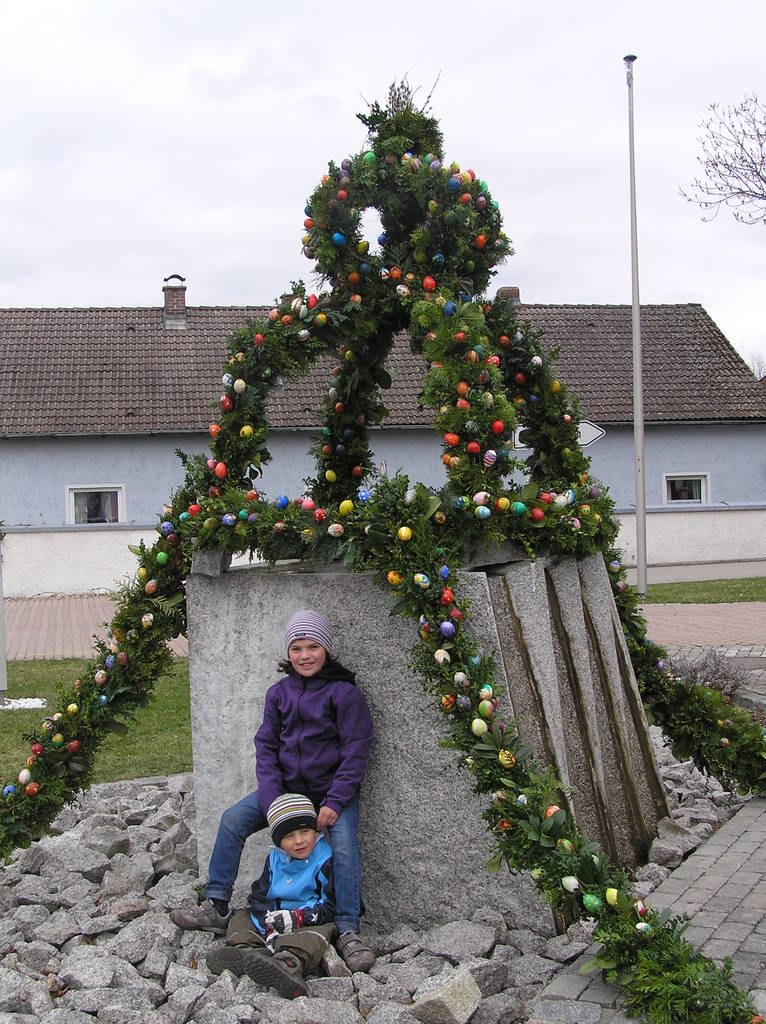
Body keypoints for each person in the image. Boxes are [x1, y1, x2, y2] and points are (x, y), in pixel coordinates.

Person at [171, 609, 376, 972]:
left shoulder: (344, 694)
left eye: (313, 647)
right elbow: (266, 748)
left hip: (332, 793)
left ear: (327, 649)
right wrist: (272, 800)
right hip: (286, 793)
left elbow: (356, 751)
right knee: (233, 820)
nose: (305, 655)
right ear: (288, 653)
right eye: (297, 648)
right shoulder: (279, 694)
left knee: (344, 845)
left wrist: (334, 802)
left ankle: (348, 928)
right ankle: (216, 903)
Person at [207, 792, 336, 999]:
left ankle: (288, 963)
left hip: (309, 919)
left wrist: (299, 917)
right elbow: (260, 895)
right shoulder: (275, 859)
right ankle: (247, 950)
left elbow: (332, 904)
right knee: (242, 917)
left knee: (318, 934)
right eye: (289, 836)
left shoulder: (325, 859)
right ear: (278, 841)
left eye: (305, 832)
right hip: (275, 916)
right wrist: (266, 921)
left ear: (316, 830)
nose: (299, 841)